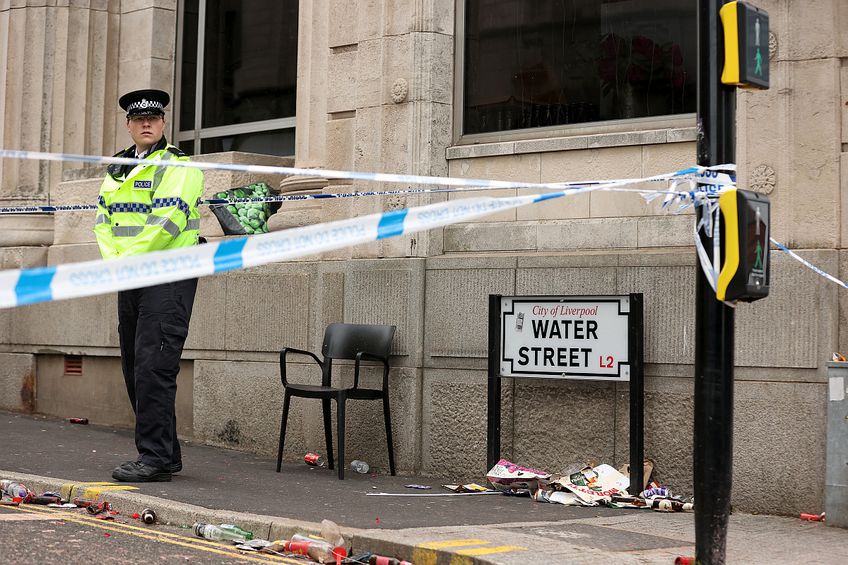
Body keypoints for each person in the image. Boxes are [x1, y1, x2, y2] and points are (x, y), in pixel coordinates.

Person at [93, 89, 204, 482]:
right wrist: (117, 265)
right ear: (128, 125)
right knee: (133, 366)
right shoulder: (117, 170)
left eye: (153, 119)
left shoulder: (179, 166)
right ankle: (167, 452)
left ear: (162, 125)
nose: (146, 123)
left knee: (153, 366)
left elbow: (167, 221)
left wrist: (127, 262)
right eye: (139, 119)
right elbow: (103, 222)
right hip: (131, 277)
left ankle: (154, 458)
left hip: (167, 273)